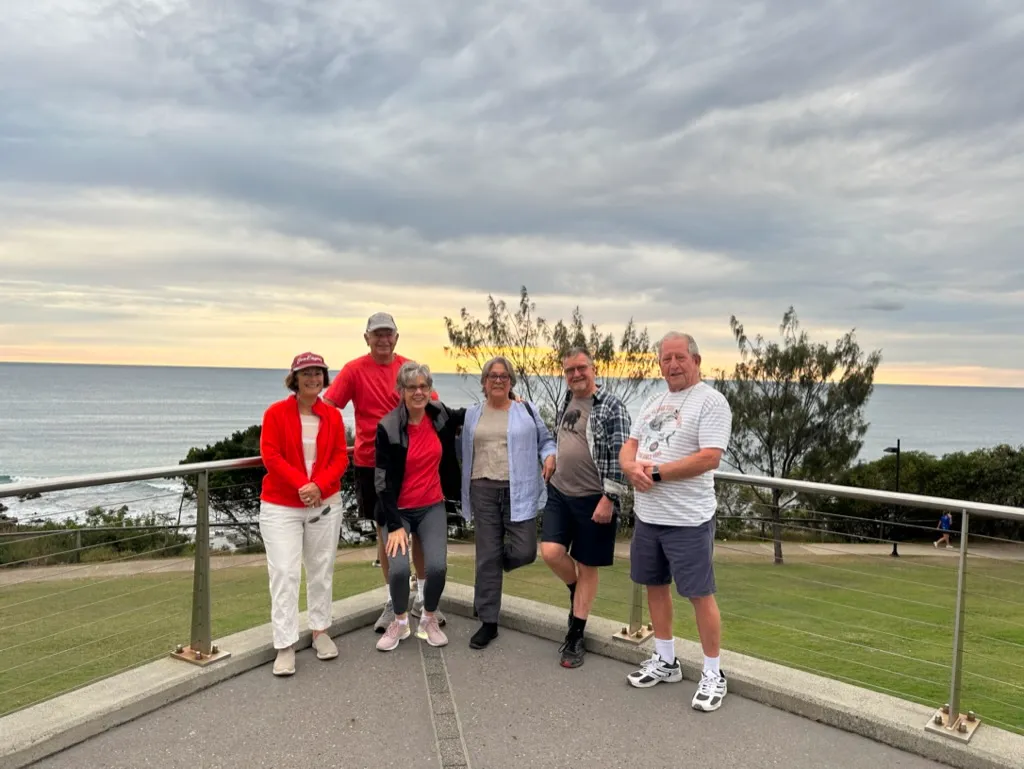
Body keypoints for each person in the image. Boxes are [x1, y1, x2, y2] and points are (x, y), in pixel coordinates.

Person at [619, 331, 732, 712]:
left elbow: (709, 458)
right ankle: (666, 660)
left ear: (696, 360)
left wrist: (657, 475)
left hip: (688, 519)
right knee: (654, 586)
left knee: (700, 594)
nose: (672, 364)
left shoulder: (712, 402)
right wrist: (629, 468)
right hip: (648, 516)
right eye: (666, 358)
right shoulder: (654, 401)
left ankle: (714, 672)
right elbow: (630, 445)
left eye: (680, 357)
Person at [323, 311, 445, 632]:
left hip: (412, 462)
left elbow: (434, 405)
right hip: (371, 463)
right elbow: (327, 407)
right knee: (386, 532)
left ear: (396, 337)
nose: (383, 339)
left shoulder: (408, 368)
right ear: (366, 338)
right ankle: (394, 601)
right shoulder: (353, 370)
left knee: (417, 531)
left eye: (388, 333)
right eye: (376, 334)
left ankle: (420, 594)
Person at [258, 352, 350, 676]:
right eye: (306, 373)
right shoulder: (275, 413)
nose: (313, 378)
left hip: (324, 503)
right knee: (284, 571)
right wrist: (303, 484)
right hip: (281, 506)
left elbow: (340, 458)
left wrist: (318, 487)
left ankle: (320, 630)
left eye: (318, 373)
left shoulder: (333, 417)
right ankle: (285, 644)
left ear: (325, 378)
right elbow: (270, 454)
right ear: (294, 378)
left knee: (321, 567)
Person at [540, 347, 631, 668]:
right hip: (561, 492)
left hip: (595, 499)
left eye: (581, 368)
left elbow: (623, 456)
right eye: (569, 370)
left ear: (594, 369)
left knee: (587, 565)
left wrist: (611, 498)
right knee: (550, 552)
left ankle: (576, 634)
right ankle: (578, 592)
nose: (576, 375)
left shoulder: (611, 407)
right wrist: (550, 455)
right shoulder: (568, 400)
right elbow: (559, 438)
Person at [459, 356, 557, 649]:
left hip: (519, 490)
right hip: (483, 490)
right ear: (484, 383)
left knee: (525, 551)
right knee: (487, 555)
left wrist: (550, 456)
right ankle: (488, 622)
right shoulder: (472, 414)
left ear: (511, 381)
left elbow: (546, 440)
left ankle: (488, 570)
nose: (498, 380)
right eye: (492, 376)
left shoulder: (526, 410)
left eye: (504, 376)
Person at [374, 362, 463, 651]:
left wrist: (511, 399)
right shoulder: (388, 427)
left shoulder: (440, 415)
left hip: (431, 506)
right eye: (411, 387)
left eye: (424, 386)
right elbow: (382, 480)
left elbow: (470, 414)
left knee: (437, 567)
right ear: (401, 391)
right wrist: (396, 525)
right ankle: (399, 623)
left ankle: (427, 619)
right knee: (399, 570)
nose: (418, 392)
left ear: (430, 389)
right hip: (397, 510)